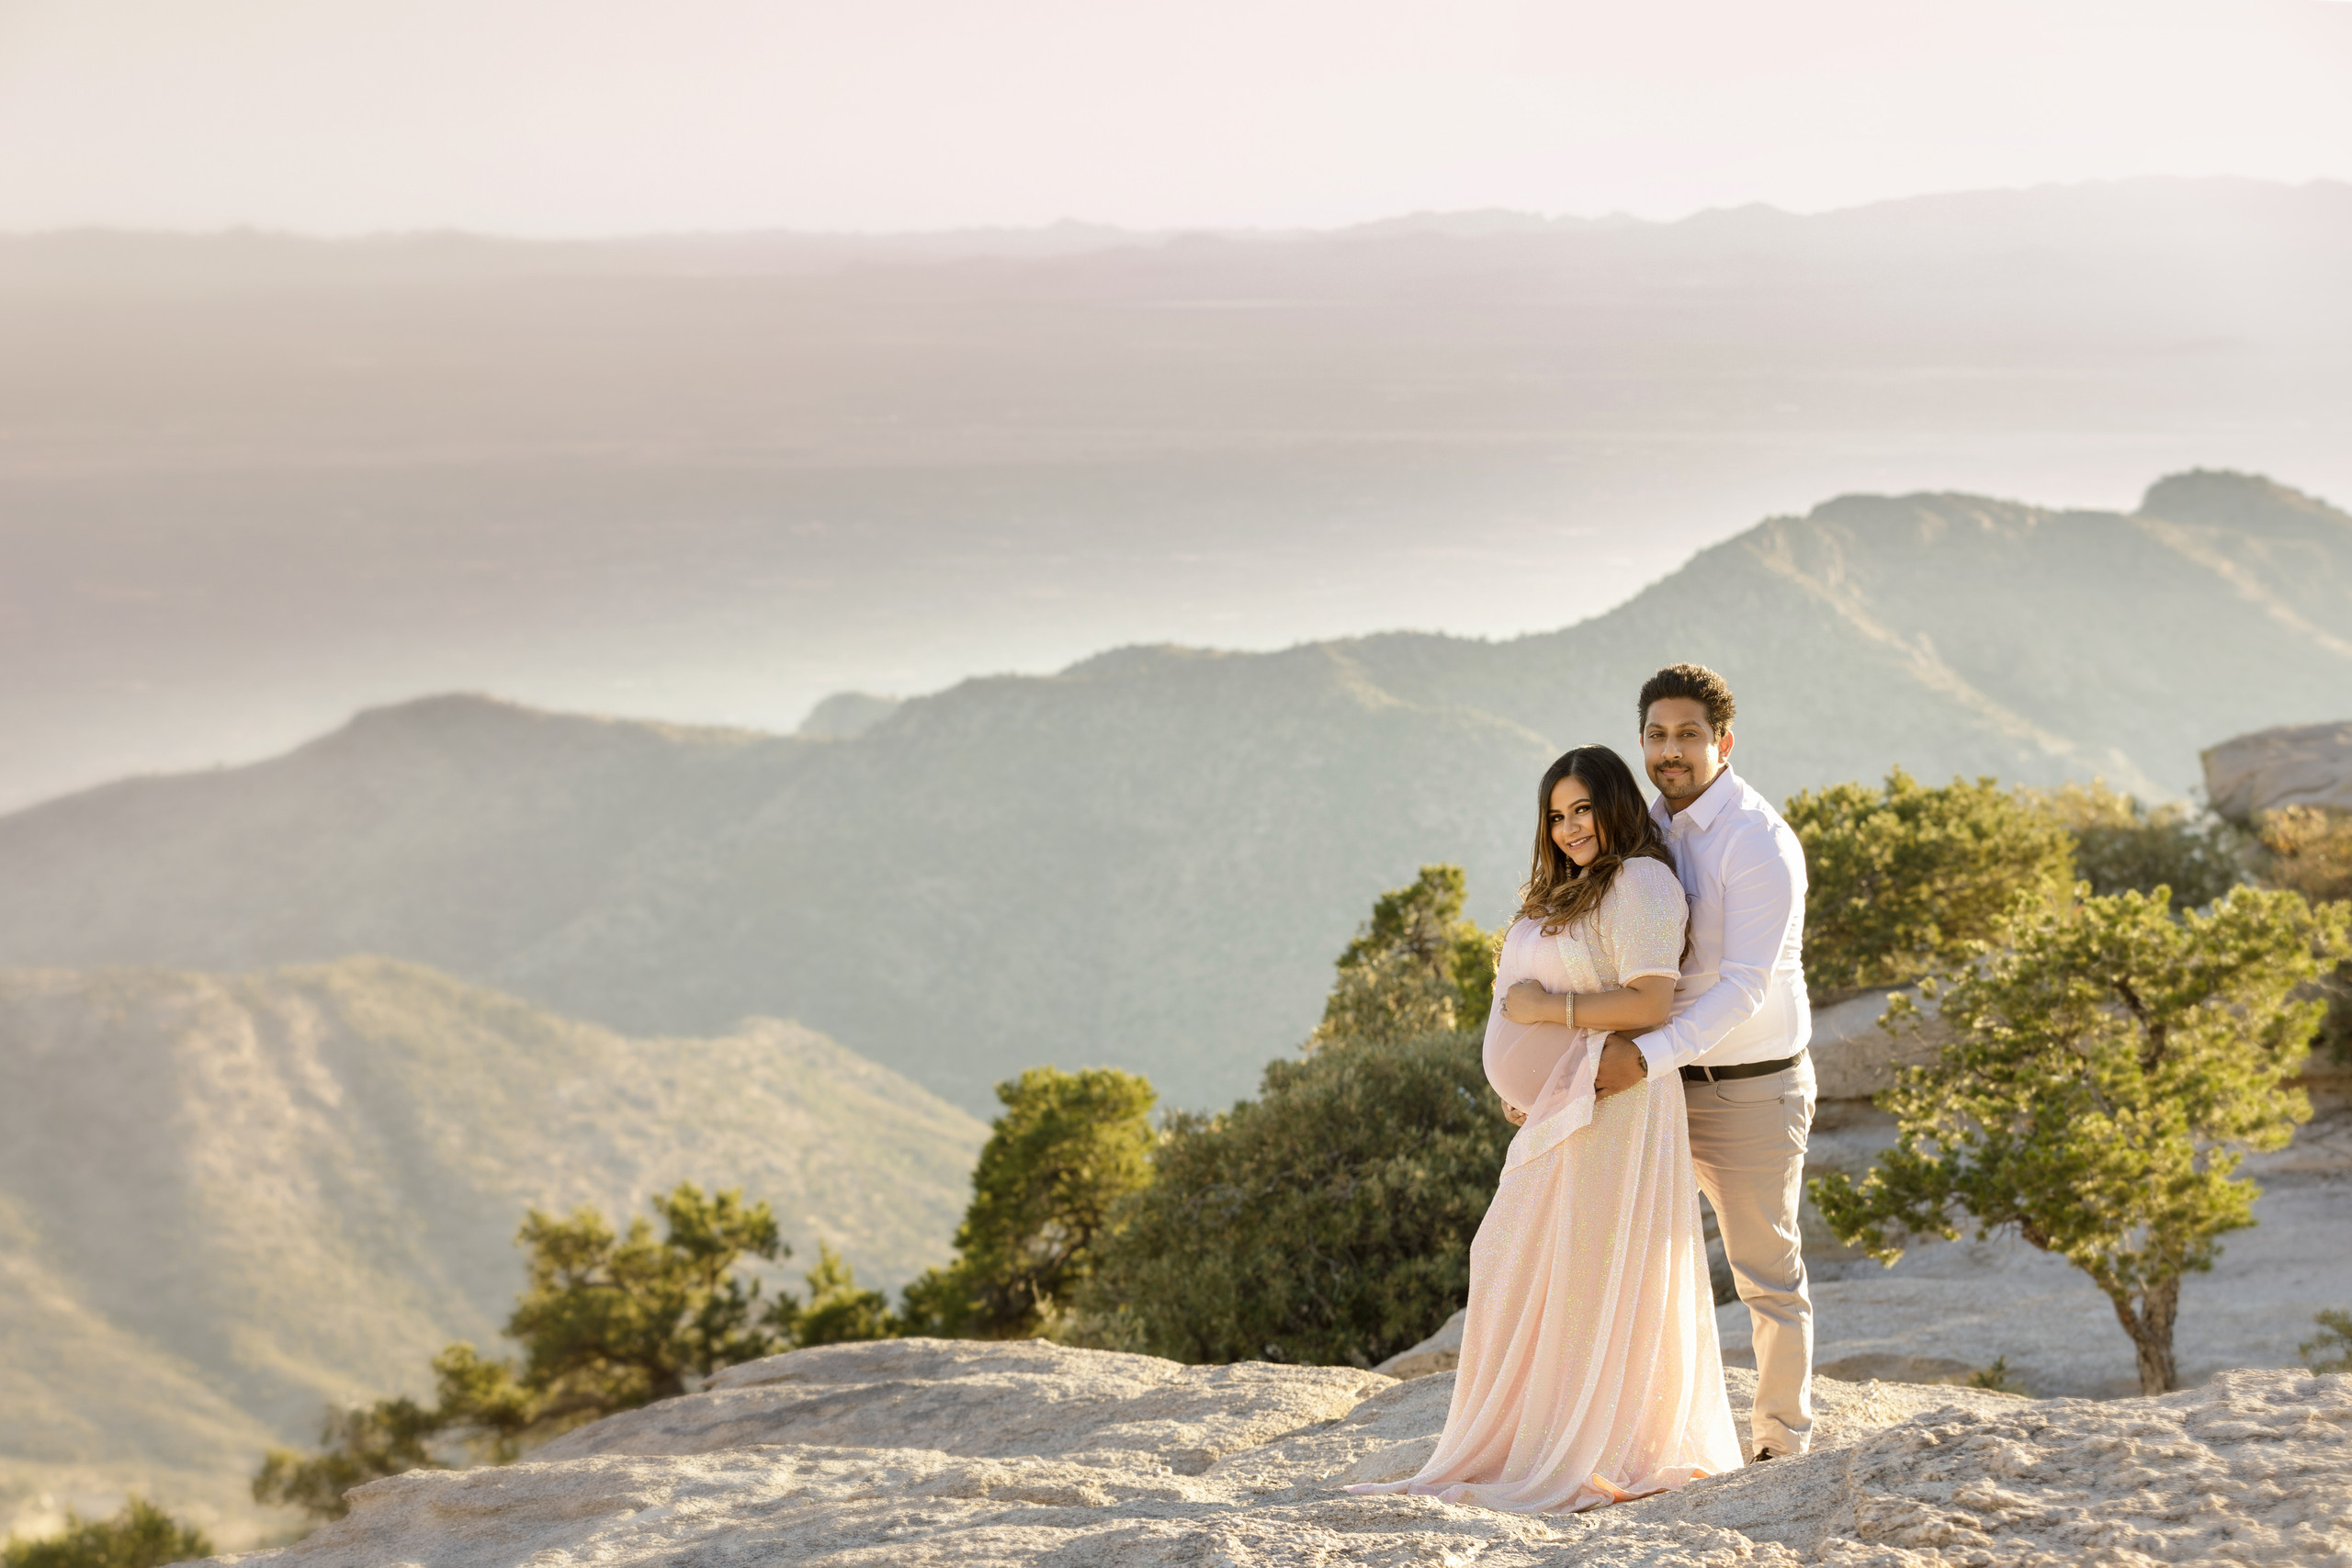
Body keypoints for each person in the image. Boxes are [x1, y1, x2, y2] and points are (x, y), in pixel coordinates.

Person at [1348, 744, 1740, 1513]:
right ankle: (1534, 1434)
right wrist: (1519, 1075)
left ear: (1615, 806)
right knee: (1513, 1258)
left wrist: (1545, 1018)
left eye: (1582, 809)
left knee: (1589, 1265)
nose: (1569, 827)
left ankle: (1597, 1443)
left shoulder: (1642, 882)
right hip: (1554, 1108)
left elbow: (1649, 1003)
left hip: (1611, 1105)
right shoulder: (1559, 891)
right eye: (1556, 816)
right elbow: (1514, 1001)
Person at [1592, 663, 1815, 1461]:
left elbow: (1744, 988)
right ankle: (1650, 1438)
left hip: (1751, 1090)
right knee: (1633, 1262)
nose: (1670, 750)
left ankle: (1779, 1447)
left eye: (1688, 734)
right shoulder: (1644, 827)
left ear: (1724, 741)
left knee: (1765, 1274)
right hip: (1659, 1087)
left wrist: (1644, 1057)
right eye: (1656, 735)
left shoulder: (1756, 840)